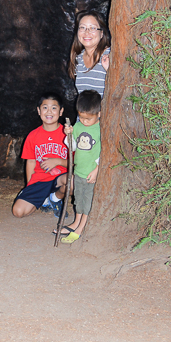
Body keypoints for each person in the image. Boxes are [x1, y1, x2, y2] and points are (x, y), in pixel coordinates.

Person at [12, 94, 70, 219]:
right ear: (39, 111)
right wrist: (29, 186)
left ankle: (55, 198)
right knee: (18, 212)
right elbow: (31, 162)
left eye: (54, 108)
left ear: (61, 111)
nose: (49, 111)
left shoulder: (68, 134)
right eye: (45, 108)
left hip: (60, 179)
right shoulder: (33, 136)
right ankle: (45, 199)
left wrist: (58, 161)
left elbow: (76, 163)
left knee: (74, 182)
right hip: (40, 180)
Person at [60, 90, 101, 244]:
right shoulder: (77, 126)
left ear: (99, 113)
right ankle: (76, 222)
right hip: (78, 171)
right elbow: (71, 146)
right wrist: (68, 134)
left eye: (88, 118)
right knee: (78, 199)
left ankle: (81, 227)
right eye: (82, 117)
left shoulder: (100, 130)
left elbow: (105, 152)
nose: (84, 121)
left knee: (88, 200)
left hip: (91, 173)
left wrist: (97, 170)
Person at [68, 11, 111, 96]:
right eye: (82, 27)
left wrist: (110, 71)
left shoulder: (110, 55)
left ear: (101, 33)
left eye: (92, 28)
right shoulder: (78, 59)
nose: (87, 32)